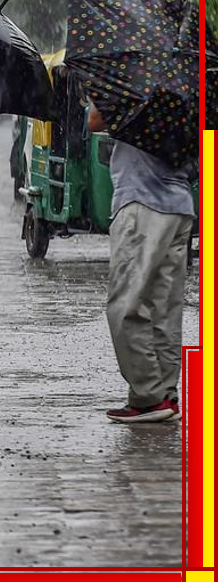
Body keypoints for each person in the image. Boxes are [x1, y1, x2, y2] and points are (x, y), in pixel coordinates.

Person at [87, 104, 193, 423]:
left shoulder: (132, 82)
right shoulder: (184, 85)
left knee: (124, 306)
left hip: (142, 204)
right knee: (164, 307)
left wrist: (94, 95)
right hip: (179, 205)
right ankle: (165, 395)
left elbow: (95, 120)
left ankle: (148, 396)